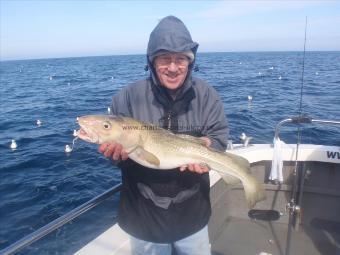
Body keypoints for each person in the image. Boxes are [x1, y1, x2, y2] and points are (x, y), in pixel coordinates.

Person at [99, 15, 229, 255]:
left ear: (190, 62)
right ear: (151, 61)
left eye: (180, 59)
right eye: (164, 59)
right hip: (143, 217)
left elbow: (219, 136)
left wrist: (211, 145)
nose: (172, 67)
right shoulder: (126, 98)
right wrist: (115, 155)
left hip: (193, 215)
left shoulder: (207, 95)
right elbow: (116, 153)